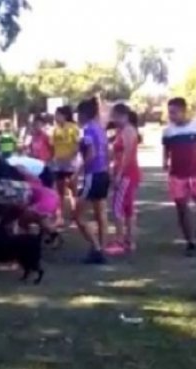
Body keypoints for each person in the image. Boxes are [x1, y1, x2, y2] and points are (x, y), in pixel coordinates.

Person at [163, 97, 196, 256]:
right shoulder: (168, 131)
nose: (171, 116)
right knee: (182, 208)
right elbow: (166, 148)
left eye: (174, 112)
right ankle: (190, 242)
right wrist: (165, 162)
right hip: (177, 175)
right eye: (169, 112)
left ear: (184, 111)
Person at [73, 97, 110, 264]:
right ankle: (101, 249)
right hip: (103, 173)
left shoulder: (87, 130)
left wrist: (77, 173)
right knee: (100, 214)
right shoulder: (100, 129)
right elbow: (106, 152)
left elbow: (91, 153)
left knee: (77, 214)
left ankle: (96, 248)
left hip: (93, 175)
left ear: (82, 114)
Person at [106, 105, 141, 255]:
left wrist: (119, 174)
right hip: (126, 173)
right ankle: (129, 241)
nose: (113, 120)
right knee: (127, 209)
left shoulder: (128, 130)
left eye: (115, 117)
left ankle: (120, 241)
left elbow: (127, 155)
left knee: (117, 207)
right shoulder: (121, 131)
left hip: (127, 174)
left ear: (123, 115)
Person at [51, 105, 80, 227]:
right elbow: (53, 145)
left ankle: (75, 215)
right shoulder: (55, 129)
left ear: (65, 115)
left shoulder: (73, 128)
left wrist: (71, 156)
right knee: (59, 191)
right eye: (55, 115)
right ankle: (59, 216)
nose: (56, 117)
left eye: (58, 115)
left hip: (71, 163)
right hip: (59, 163)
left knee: (72, 191)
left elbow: (78, 144)